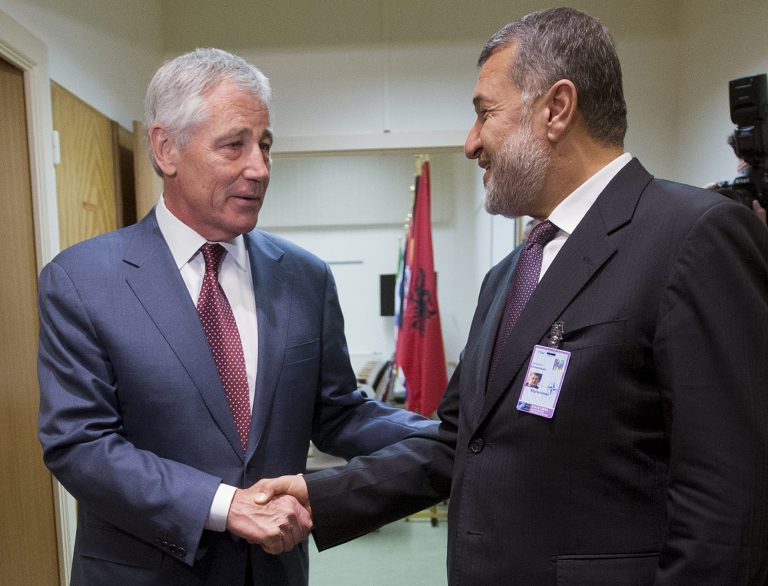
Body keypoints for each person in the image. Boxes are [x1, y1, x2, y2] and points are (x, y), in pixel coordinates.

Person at [255, 8, 768, 585]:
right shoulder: (508, 274)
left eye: (484, 113)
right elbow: (458, 445)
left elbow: (728, 506)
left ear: (557, 109)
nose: (471, 143)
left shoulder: (692, 236)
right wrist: (315, 493)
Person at [37, 48, 434, 585]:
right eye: (234, 145)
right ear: (165, 148)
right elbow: (80, 445)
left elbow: (339, 412)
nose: (260, 169)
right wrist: (226, 505)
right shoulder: (83, 280)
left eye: (266, 146)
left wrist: (449, 437)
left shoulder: (304, 277)